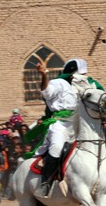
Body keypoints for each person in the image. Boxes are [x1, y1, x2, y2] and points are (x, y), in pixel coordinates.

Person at [31, 59, 101, 198]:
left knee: (101, 146)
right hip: (61, 124)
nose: (84, 76)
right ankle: (46, 183)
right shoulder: (59, 83)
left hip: (80, 123)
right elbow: (46, 92)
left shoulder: (86, 85)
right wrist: (44, 74)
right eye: (82, 73)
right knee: (56, 147)